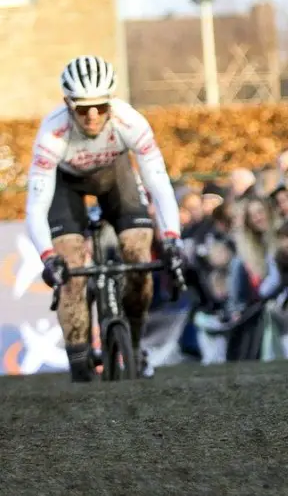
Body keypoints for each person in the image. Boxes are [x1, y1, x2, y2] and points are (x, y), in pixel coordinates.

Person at [25, 56, 184, 382]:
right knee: (69, 269)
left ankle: (136, 347)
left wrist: (171, 239)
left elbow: (160, 186)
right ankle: (80, 360)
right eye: (83, 109)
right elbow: (36, 208)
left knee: (139, 256)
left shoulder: (130, 122)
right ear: (68, 104)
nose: (93, 115)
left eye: (100, 106)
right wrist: (48, 257)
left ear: (111, 101)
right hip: (65, 184)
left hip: (115, 176)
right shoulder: (52, 132)